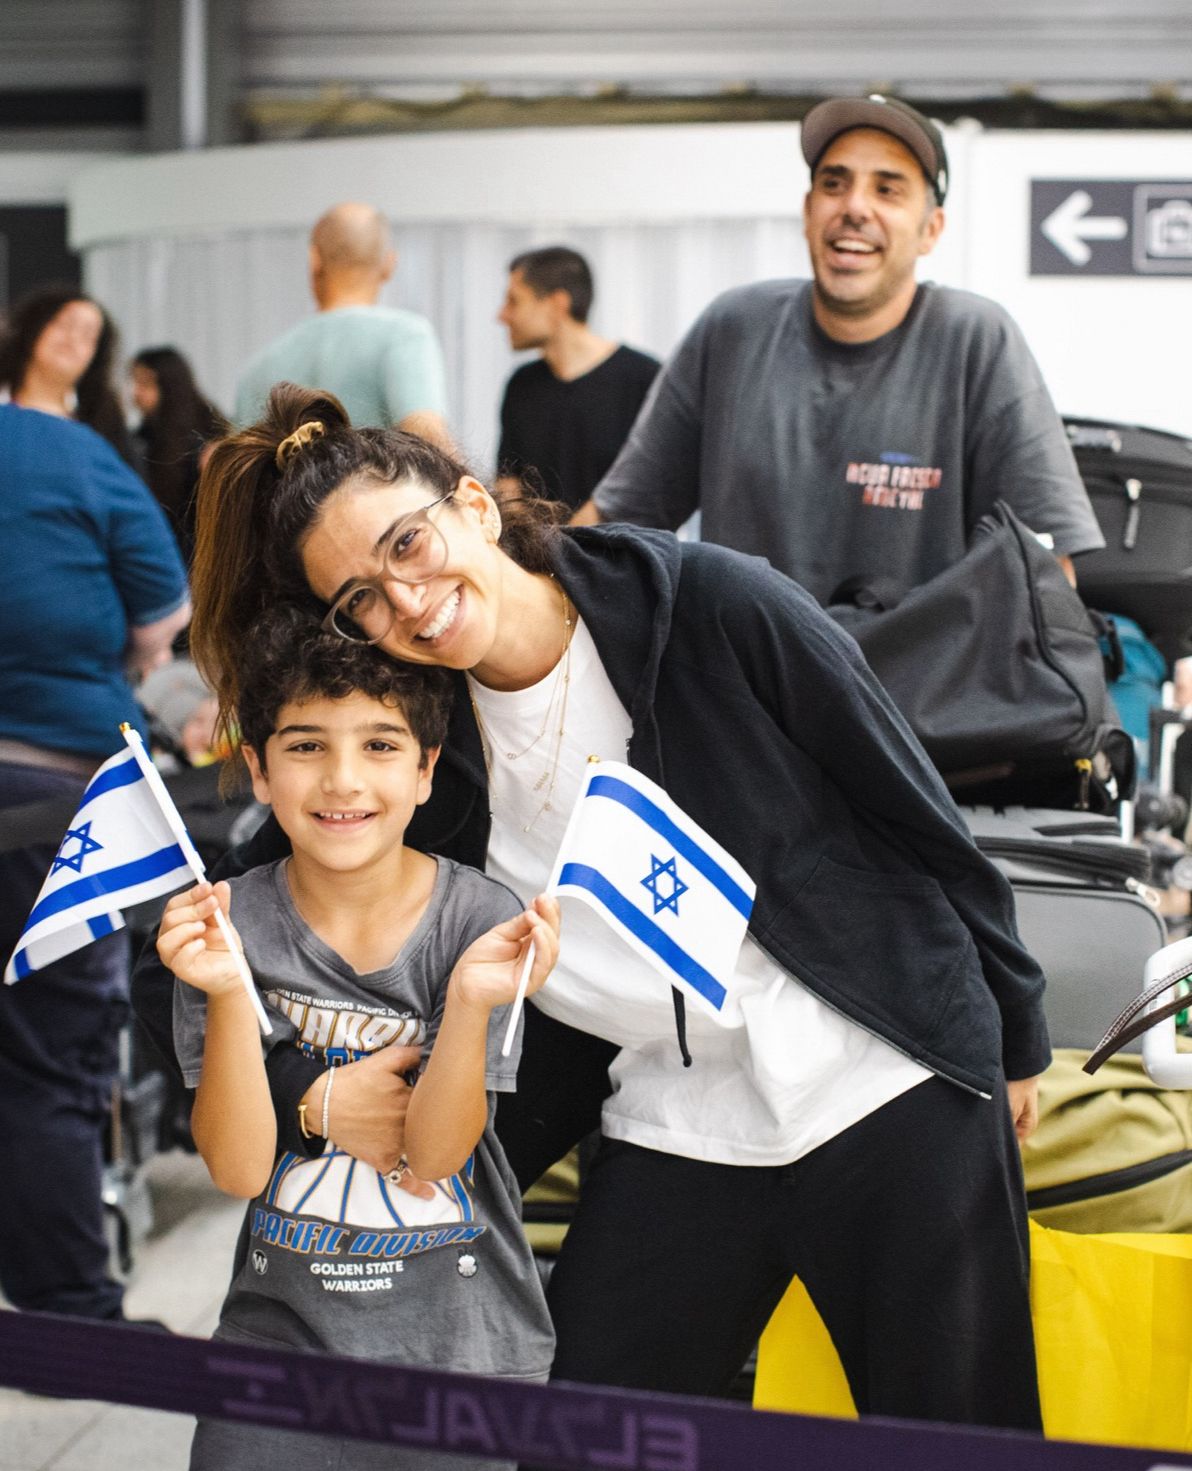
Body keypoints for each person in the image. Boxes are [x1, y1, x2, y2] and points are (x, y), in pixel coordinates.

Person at [133, 385, 1049, 1434]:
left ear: (471, 506)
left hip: (880, 1072)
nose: (407, 600)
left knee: (959, 1438)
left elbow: (915, 807)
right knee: (576, 1432)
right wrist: (312, 1090)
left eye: (408, 545)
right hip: (677, 1112)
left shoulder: (706, 601)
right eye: (361, 602)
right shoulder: (426, 749)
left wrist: (1013, 1030)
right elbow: (252, 924)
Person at [158, 602, 557, 1471]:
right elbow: (235, 1169)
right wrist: (227, 993)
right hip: (276, 1349)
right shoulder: (226, 925)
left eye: (378, 744)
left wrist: (475, 997)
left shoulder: (478, 918)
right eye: (306, 745)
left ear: (425, 770)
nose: (342, 779)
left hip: (462, 1355)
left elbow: (440, 1153)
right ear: (257, 769)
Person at [572, 95, 1103, 602]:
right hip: (740, 686)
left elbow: (1046, 575)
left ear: (930, 230)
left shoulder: (976, 341)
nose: (854, 207)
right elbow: (619, 520)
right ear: (808, 211)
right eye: (834, 183)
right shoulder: (732, 329)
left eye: (888, 189)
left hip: (911, 694)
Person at [0, 384, 189, 1321]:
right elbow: (163, 605)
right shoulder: (62, 453)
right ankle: (65, 1307)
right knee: (53, 1054)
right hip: (42, 793)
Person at [235, 202, 452, 450]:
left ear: (314, 259)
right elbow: (430, 441)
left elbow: (237, 475)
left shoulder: (257, 370)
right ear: (389, 264)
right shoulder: (405, 336)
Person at [494, 247, 659, 513]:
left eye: (514, 301)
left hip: (626, 552)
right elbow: (509, 485)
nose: (502, 315)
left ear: (558, 304)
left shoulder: (645, 379)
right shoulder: (521, 385)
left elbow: (657, 486)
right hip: (541, 554)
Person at [0, 285, 137, 465]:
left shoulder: (102, 417)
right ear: (33, 327)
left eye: (87, 335)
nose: (73, 339)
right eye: (64, 325)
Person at [130, 346, 228, 565]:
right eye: (135, 382)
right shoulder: (140, 440)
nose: (135, 392)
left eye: (145, 383)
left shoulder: (211, 438)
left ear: (169, 386)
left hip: (201, 559)